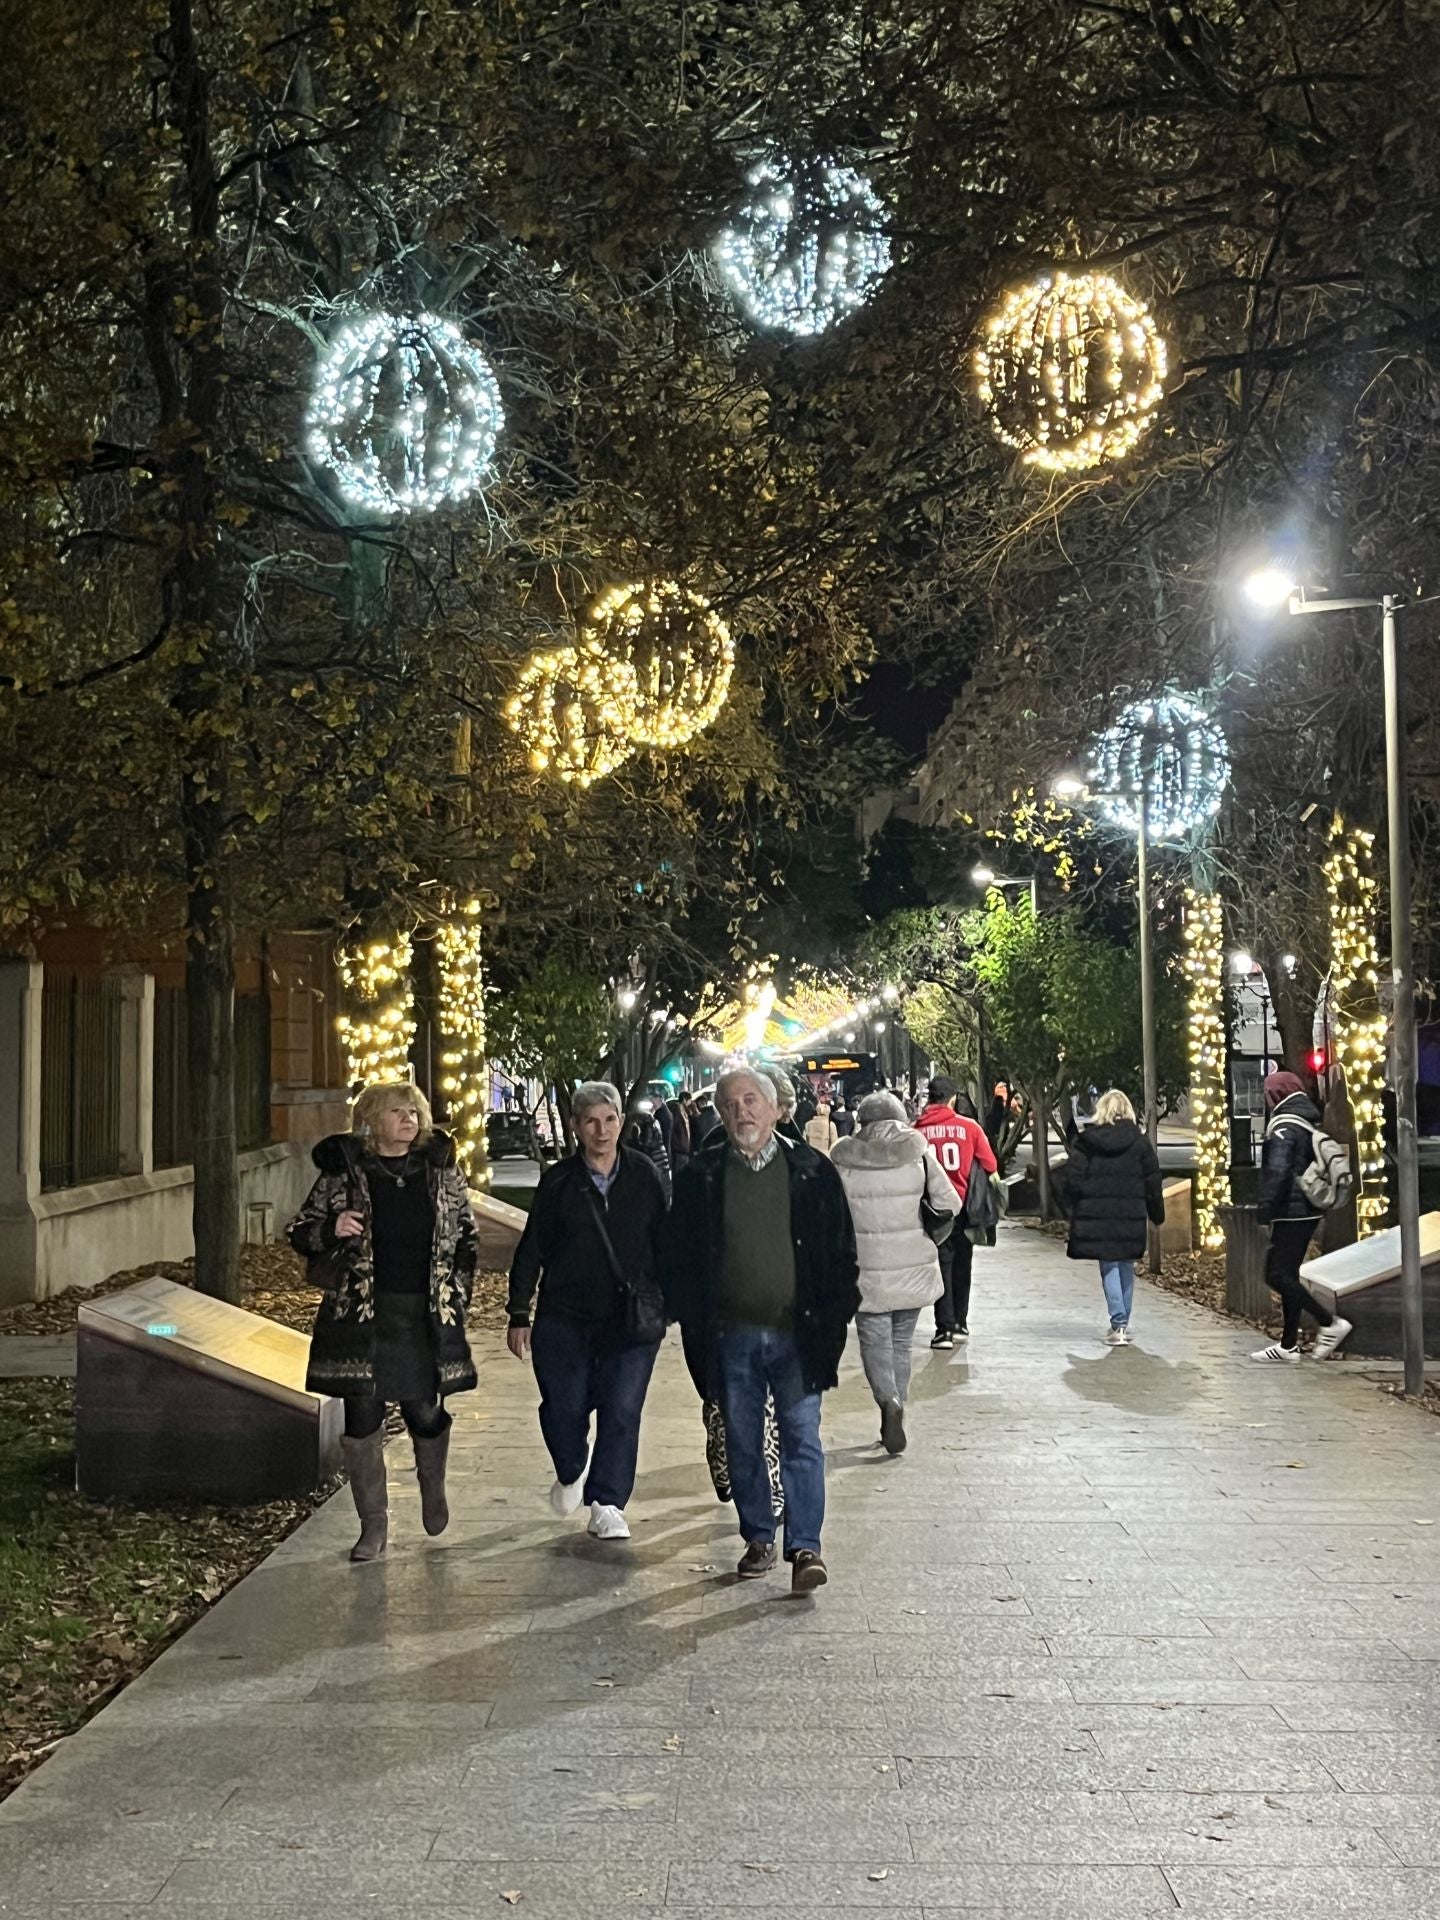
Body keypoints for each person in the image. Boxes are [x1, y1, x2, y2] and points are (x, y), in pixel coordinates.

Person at [665, 1066, 859, 1592]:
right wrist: (687, 1313)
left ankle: (805, 1546)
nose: (742, 1112)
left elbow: (841, 1251)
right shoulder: (701, 1177)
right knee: (744, 1440)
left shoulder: (812, 1171)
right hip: (731, 1335)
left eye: (752, 1101)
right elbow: (677, 1255)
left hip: (800, 1331)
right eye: (730, 1104)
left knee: (801, 1437)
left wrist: (837, 1313)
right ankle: (758, 1535)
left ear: (777, 1109)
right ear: (720, 1114)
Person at [288, 1082, 477, 1563]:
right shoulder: (346, 1172)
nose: (409, 1119)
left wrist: (457, 1295)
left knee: (423, 1411)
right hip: (360, 1315)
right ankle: (373, 1526)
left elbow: (466, 1236)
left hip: (423, 1314)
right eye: (397, 1112)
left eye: (414, 1111)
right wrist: (332, 1227)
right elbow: (300, 1231)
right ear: (372, 1121)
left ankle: (431, 1486)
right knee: (363, 1418)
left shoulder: (439, 1169)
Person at [507, 1081, 669, 1539]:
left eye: (611, 1120)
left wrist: (673, 1299)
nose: (602, 1130)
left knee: (622, 1409)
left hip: (631, 1319)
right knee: (564, 1407)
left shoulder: (643, 1175)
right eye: (592, 1122)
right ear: (576, 1127)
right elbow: (531, 1247)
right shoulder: (559, 1182)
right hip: (565, 1317)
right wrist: (519, 1311)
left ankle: (607, 1501)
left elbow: (668, 1242)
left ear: (622, 1122)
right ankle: (570, 1466)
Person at [832, 1091, 958, 1455]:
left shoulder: (842, 1156)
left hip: (863, 1269)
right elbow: (949, 1202)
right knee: (902, 1343)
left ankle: (888, 1402)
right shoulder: (918, 1151)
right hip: (913, 1264)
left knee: (874, 1342)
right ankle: (897, 1403)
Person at [1253, 1069, 1353, 1364]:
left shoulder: (1283, 1125)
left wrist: (1264, 1211)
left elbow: (1279, 1171)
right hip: (1306, 1209)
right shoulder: (1306, 1122)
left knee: (1276, 1274)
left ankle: (1329, 1322)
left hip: (1290, 1211)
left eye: (1268, 1094)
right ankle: (1288, 1345)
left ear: (1276, 1095)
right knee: (1288, 1274)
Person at [1064, 1088, 1165, 1346]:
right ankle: (1122, 1323)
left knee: (1108, 1264)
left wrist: (1072, 1208)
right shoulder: (1140, 1143)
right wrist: (1157, 1215)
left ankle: (1117, 1323)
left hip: (1098, 1214)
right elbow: (1153, 1181)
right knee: (1126, 1265)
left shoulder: (1088, 1142)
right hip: (1131, 1213)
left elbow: (1073, 1179)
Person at [914, 1076, 999, 1349]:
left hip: (931, 1210)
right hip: (964, 1208)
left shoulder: (916, 1131)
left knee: (941, 1266)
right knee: (964, 1262)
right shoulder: (969, 1127)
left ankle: (944, 1329)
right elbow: (990, 1163)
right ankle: (961, 1323)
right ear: (952, 1099)